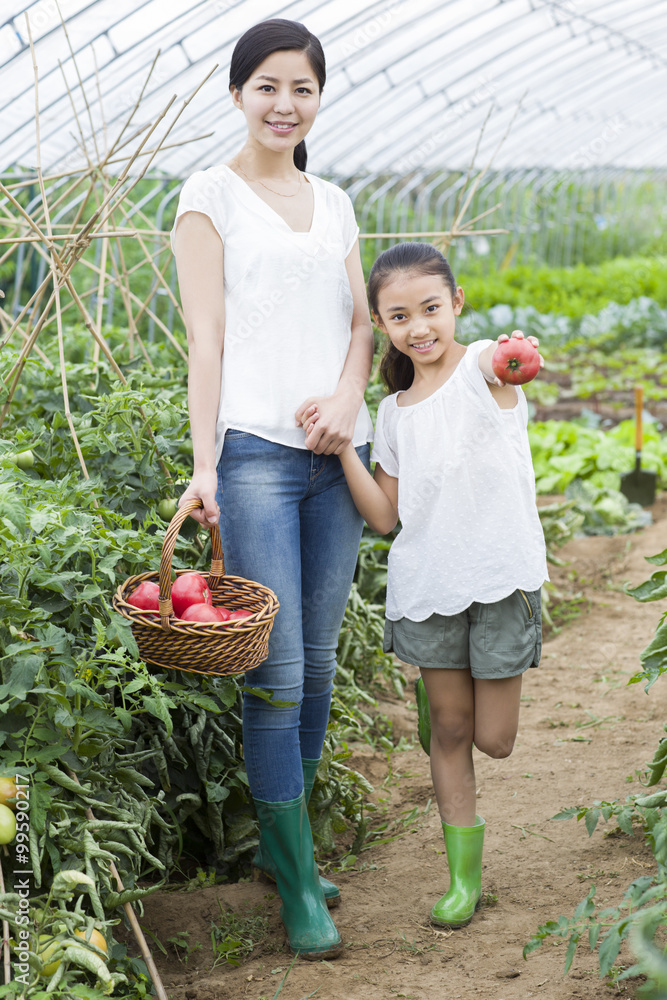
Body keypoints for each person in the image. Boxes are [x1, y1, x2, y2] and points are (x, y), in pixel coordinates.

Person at [170, 18, 374, 959]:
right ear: (238, 94)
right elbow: (205, 340)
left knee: (322, 662)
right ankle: (297, 885)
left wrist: (344, 400)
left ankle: (286, 857)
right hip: (252, 457)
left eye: (301, 88)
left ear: (318, 97)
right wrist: (205, 465)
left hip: (333, 461)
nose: (284, 105)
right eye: (267, 87)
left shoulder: (334, 201)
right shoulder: (208, 196)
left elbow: (361, 327)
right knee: (276, 672)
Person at [303, 242, 548, 929]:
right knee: (450, 730)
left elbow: (510, 359)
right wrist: (347, 444)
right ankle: (461, 882)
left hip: (499, 578)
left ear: (456, 305)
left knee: (494, 739)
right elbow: (384, 517)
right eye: (400, 315)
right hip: (429, 582)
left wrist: (516, 351)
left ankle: (445, 711)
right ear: (380, 325)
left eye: (430, 309)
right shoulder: (395, 413)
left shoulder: (480, 370)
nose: (419, 327)